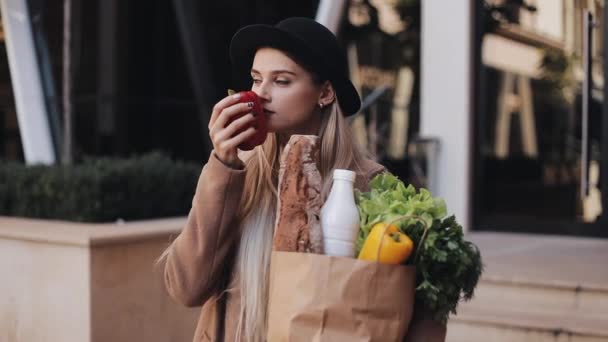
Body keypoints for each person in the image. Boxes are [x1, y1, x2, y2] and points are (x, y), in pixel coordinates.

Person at [160, 17, 386, 342]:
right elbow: (186, 289)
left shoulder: (367, 185)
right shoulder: (238, 172)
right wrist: (222, 164)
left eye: (281, 81)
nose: (261, 94)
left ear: (324, 92)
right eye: (255, 79)